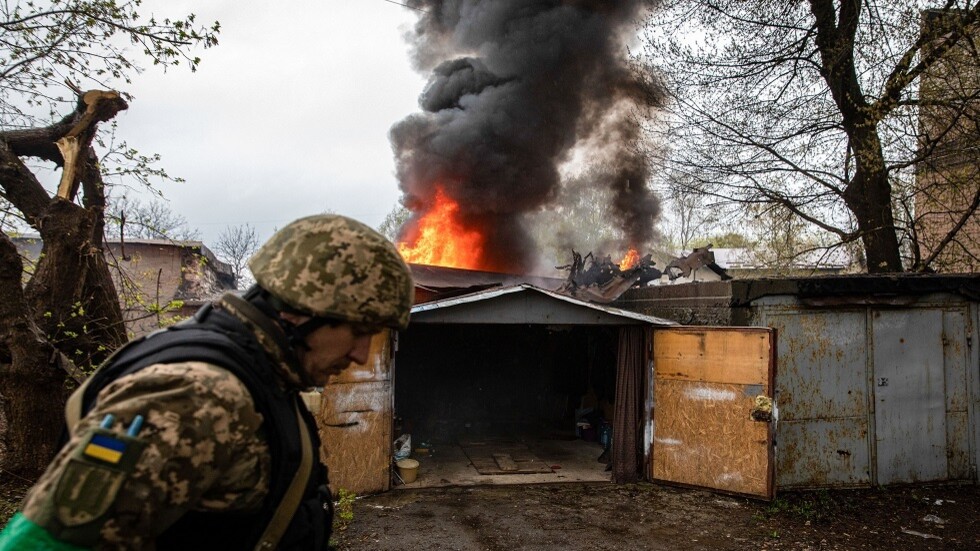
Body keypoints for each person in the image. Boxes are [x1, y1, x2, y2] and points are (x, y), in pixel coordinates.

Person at [0, 214, 414, 550]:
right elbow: (46, 543)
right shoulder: (196, 393)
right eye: (360, 330)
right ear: (301, 312)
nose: (362, 353)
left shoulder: (259, 377)